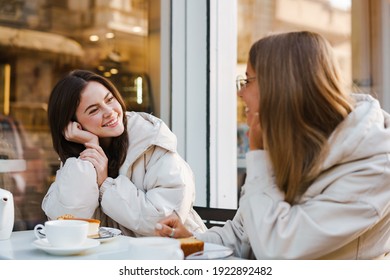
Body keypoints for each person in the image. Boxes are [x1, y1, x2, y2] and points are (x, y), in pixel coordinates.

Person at [155, 31, 390, 259]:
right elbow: (243, 235)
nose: (240, 93)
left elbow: (278, 250)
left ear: (280, 86)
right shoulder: (290, 145)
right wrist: (190, 242)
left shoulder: (375, 167)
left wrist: (257, 154)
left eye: (247, 81)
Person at [42, 69, 207, 237]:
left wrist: (105, 185)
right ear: (74, 124)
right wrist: (90, 148)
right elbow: (67, 224)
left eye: (110, 99)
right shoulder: (81, 158)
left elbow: (163, 222)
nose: (109, 112)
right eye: (94, 110)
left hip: (170, 255)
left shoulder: (151, 142)